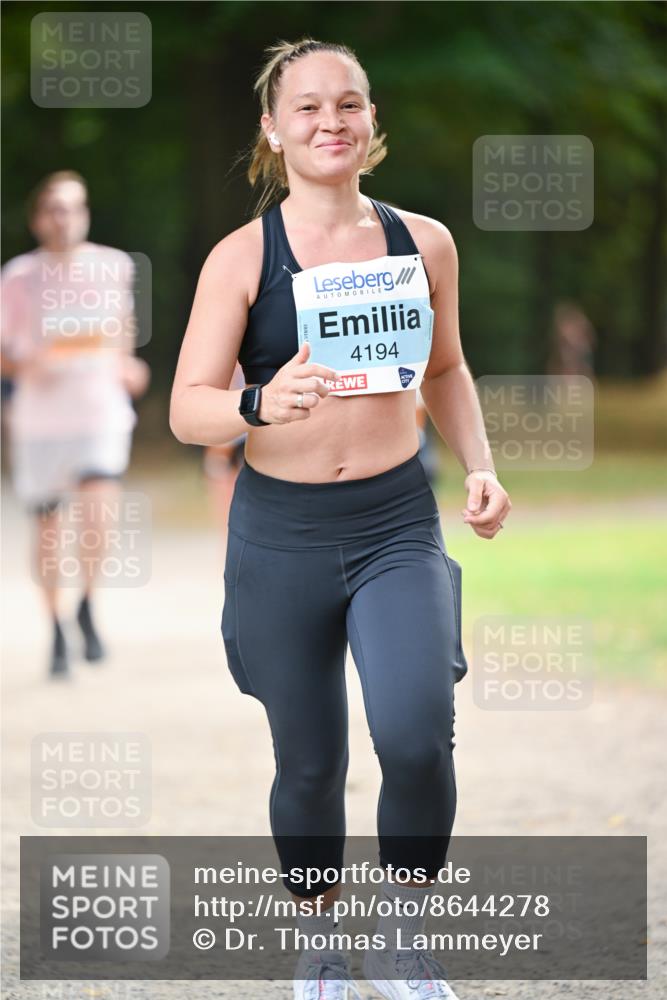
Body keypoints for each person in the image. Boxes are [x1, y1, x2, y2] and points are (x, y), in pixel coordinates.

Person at [170, 38, 511, 1000]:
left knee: (413, 733)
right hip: (281, 536)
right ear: (273, 132)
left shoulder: (423, 242)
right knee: (310, 765)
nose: (332, 122)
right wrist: (254, 407)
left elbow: (443, 369)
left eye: (349, 104)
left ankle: (405, 940)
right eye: (309, 108)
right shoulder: (243, 257)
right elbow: (186, 403)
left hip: (395, 520)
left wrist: (479, 467)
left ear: (372, 123)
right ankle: (319, 947)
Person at [1, 171, 150, 678]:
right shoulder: (19, 276)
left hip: (99, 413)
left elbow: (121, 330)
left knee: (98, 516)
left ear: (85, 213)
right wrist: (26, 366)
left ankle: (87, 602)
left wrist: (130, 366)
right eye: (54, 208)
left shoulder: (113, 267)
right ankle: (55, 628)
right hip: (40, 422)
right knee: (47, 532)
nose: (64, 218)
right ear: (38, 217)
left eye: (73, 207)